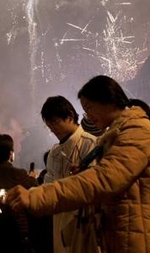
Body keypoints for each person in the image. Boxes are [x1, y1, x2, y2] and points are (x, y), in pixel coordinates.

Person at [5, 75, 150, 253]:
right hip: (121, 234)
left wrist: (35, 196)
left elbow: (103, 180)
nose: (88, 116)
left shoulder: (138, 131)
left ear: (108, 99)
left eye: (89, 108)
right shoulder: (114, 135)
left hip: (137, 236)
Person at [40, 95, 98, 253]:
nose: (52, 129)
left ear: (70, 116)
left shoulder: (91, 144)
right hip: (59, 224)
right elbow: (48, 187)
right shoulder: (54, 152)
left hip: (84, 225)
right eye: (48, 125)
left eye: (55, 122)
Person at [0, 133, 39, 253]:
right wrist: (32, 179)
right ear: (11, 153)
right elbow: (35, 198)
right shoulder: (20, 174)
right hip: (17, 233)